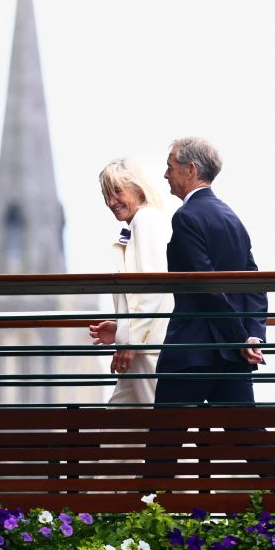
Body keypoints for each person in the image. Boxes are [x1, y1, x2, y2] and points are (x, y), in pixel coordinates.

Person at [154, 136, 267, 402]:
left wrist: (241, 338)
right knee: (246, 438)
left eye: (170, 167)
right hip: (232, 357)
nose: (165, 174)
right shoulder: (231, 218)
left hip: (193, 352)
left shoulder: (186, 217)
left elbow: (205, 286)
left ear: (190, 169)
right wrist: (253, 336)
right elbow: (255, 282)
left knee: (165, 438)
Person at [87, 158, 173, 406]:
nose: (111, 202)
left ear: (138, 189)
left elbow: (154, 288)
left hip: (147, 349)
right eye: (106, 195)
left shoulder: (146, 220)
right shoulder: (141, 224)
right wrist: (121, 330)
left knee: (162, 426)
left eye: (117, 192)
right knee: (115, 428)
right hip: (139, 347)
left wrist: (132, 340)